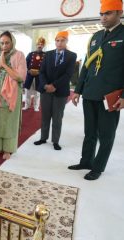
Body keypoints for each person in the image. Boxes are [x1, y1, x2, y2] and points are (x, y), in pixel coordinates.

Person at [68, 0, 124, 181]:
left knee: (106, 135)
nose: (103, 17)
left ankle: (98, 167)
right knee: (90, 131)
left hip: (110, 96)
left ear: (119, 13)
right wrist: (78, 90)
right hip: (90, 92)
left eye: (107, 14)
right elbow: (86, 65)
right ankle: (86, 161)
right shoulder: (96, 37)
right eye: (101, 14)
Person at [0, 31, 27, 160]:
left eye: (7, 42)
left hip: (11, 94)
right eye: (2, 43)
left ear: (12, 42)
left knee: (9, 121)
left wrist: (4, 65)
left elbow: (20, 77)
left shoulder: (19, 55)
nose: (4, 46)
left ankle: (8, 149)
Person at [34, 31, 77, 151]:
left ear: (66, 41)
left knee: (57, 117)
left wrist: (54, 85)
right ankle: (43, 138)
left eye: (62, 40)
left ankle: (55, 141)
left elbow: (68, 74)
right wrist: (45, 85)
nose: (59, 43)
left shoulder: (72, 55)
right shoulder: (48, 54)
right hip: (46, 90)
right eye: (57, 40)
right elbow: (41, 72)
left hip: (60, 91)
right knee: (45, 116)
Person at [23, 37, 46, 111]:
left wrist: (40, 72)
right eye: (38, 44)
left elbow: (46, 66)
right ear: (36, 45)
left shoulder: (46, 55)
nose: (40, 45)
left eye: (41, 44)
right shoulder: (31, 54)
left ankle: (36, 106)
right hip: (30, 75)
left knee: (37, 92)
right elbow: (24, 64)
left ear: (43, 46)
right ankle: (27, 105)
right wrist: (28, 70)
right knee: (27, 92)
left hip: (39, 76)